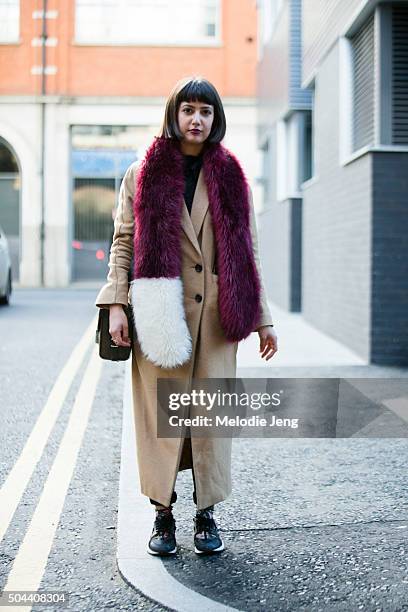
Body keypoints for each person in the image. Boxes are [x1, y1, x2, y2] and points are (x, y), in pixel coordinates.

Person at [95, 76, 278, 557]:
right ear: (174, 115)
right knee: (163, 421)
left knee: (210, 422)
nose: (196, 119)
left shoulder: (232, 176)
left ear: (216, 120)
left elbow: (247, 250)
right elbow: (123, 243)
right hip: (160, 313)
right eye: (188, 109)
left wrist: (263, 318)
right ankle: (162, 513)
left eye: (206, 111)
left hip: (217, 318)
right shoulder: (141, 173)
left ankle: (205, 515)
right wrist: (117, 303)